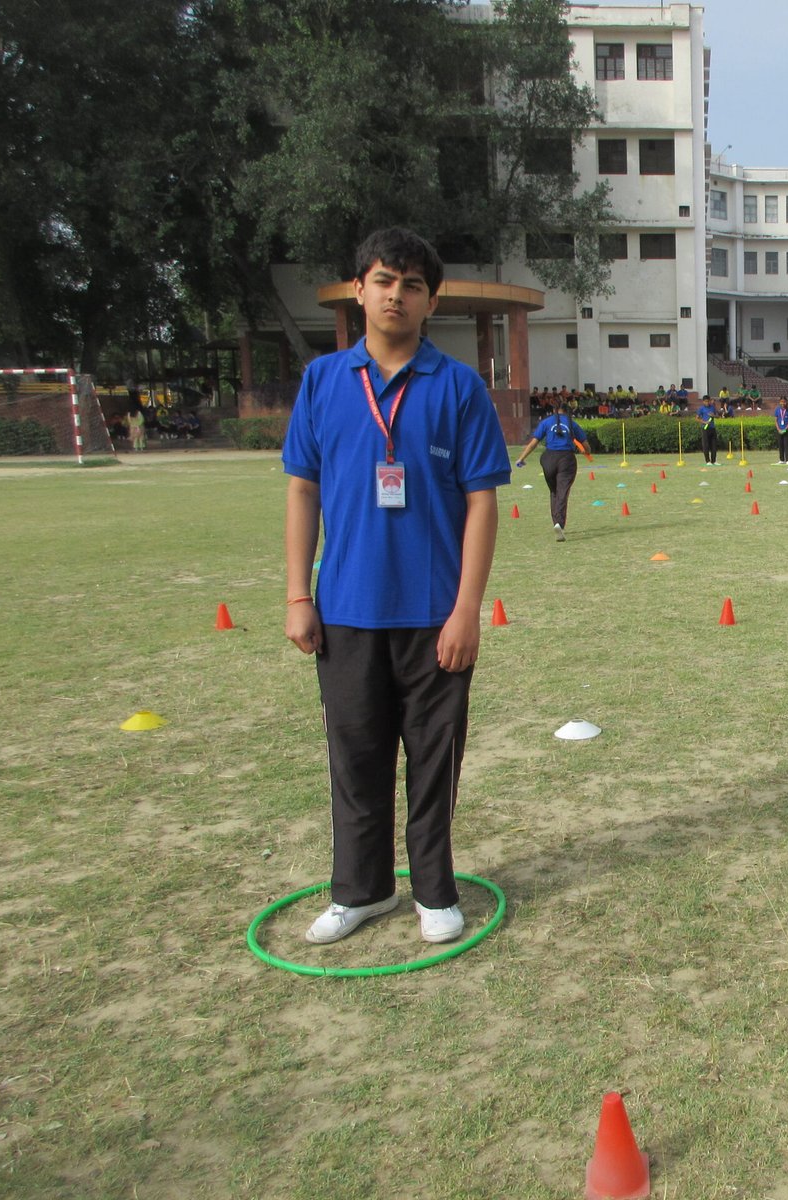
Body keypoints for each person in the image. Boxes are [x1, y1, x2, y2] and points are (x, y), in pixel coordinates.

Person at [283, 227, 512, 946]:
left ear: (430, 301)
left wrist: (467, 609)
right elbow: (302, 491)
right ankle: (362, 890)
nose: (396, 296)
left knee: (433, 761)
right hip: (346, 611)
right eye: (383, 281)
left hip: (434, 614)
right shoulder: (324, 381)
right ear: (359, 289)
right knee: (355, 758)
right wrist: (298, 596)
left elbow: (482, 501)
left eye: (412, 286)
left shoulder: (458, 386)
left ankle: (434, 892)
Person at [515, 394, 588, 542]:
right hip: (566, 459)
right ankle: (559, 523)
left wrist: (521, 458)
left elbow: (534, 443)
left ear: (554, 410)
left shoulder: (546, 422)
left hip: (548, 459)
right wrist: (586, 451)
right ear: (567, 410)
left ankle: (556, 522)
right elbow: (586, 446)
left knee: (554, 491)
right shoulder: (572, 423)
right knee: (562, 492)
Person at [696, 393, 719, 464]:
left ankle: (714, 461)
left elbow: (717, 416)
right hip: (705, 429)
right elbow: (697, 418)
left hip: (712, 428)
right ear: (703, 401)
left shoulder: (712, 407)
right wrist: (704, 422)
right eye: (706, 401)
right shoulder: (701, 409)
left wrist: (713, 415)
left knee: (714, 445)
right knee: (706, 445)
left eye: (708, 401)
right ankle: (707, 461)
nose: (707, 403)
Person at [774, 398, 788, 465]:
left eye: (784, 402)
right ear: (779, 402)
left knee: (787, 445)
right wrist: (778, 429)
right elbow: (776, 420)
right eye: (781, 402)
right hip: (779, 430)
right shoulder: (777, 410)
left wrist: (785, 429)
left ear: (787, 402)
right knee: (780, 445)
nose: (783, 403)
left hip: (787, 430)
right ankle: (781, 460)